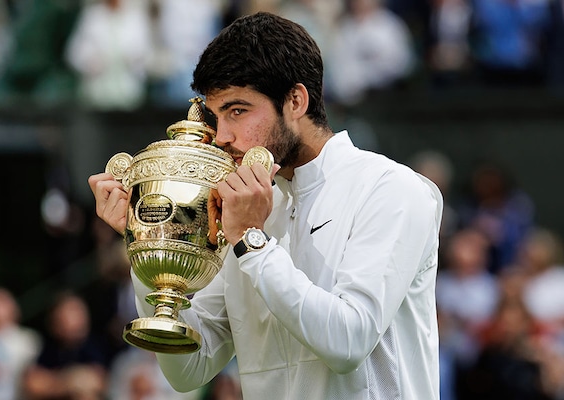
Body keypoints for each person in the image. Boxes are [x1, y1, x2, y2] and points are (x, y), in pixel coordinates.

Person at [88, 12, 443, 400]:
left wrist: (251, 241)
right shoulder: (245, 208)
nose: (222, 136)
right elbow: (188, 368)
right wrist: (150, 240)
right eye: (216, 115)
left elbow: (349, 341)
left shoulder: (392, 189)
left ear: (295, 100)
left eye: (238, 111)